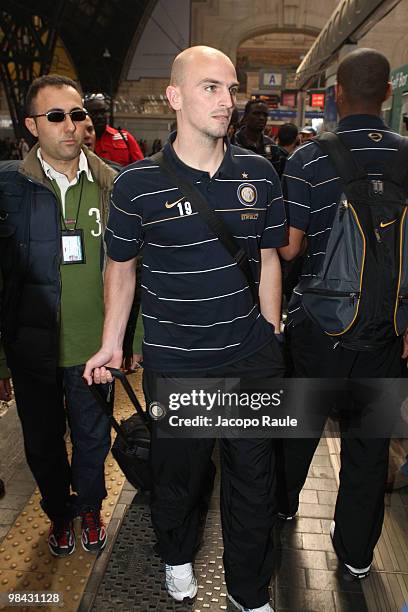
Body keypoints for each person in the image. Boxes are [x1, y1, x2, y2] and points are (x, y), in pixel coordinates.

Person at [84, 45, 287, 612]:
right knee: (182, 479)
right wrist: (111, 343)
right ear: (174, 97)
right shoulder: (136, 186)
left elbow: (270, 257)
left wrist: (269, 332)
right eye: (211, 88)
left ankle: (250, 592)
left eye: (231, 87)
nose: (228, 101)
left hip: (250, 358)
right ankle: (177, 557)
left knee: (254, 482)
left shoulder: (258, 173)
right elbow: (120, 270)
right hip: (177, 362)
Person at [278, 48, 408, 579]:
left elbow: (289, 248)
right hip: (388, 331)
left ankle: (283, 508)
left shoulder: (309, 159)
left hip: (319, 328)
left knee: (297, 431)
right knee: (370, 446)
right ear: (386, 95)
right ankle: (355, 555)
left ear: (334, 96)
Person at [0, 74, 123, 558]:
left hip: (94, 346)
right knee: (44, 442)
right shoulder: (9, 187)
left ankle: (89, 506)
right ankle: (58, 511)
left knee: (93, 440)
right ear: (32, 126)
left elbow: (130, 266)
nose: (70, 126)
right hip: (32, 348)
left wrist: (127, 338)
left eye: (77, 115)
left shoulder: (114, 184)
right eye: (56, 116)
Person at [84, 93, 144, 166]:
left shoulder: (125, 137)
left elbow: (141, 167)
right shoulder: (82, 140)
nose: (100, 116)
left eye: (103, 112)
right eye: (94, 113)